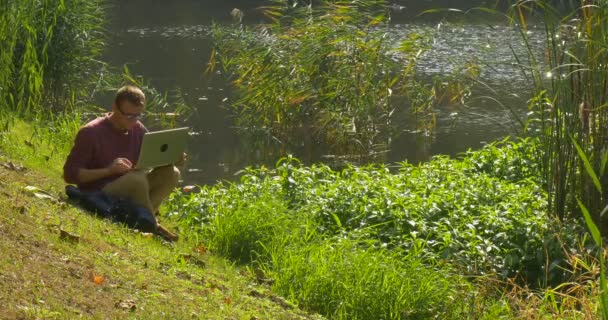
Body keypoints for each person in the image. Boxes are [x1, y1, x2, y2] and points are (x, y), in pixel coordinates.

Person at [63, 85, 182, 241]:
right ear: (115, 108)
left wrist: (171, 159)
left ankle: (143, 218)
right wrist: (108, 171)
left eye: (138, 115)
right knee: (136, 180)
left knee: (172, 173)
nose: (134, 120)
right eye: (129, 116)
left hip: (131, 188)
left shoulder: (138, 129)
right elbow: (70, 175)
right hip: (101, 192)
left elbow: (149, 161)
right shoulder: (91, 132)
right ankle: (153, 225)